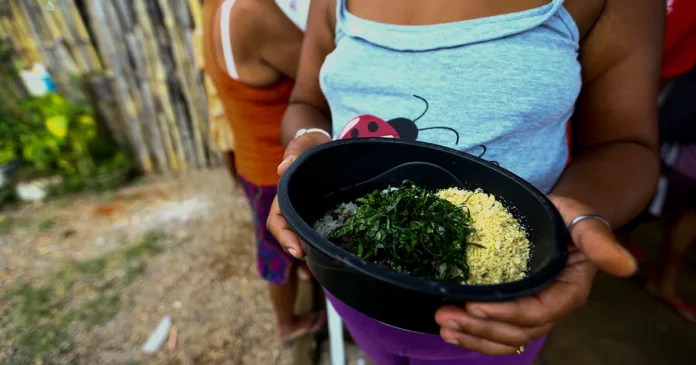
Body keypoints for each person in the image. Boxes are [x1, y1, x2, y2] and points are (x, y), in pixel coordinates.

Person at [267, 0, 664, 363]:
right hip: (353, 287)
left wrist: (575, 212)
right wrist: (308, 147)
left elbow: (625, 143)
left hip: (490, 317)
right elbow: (308, 104)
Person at [202, 0, 325, 344]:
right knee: (279, 249)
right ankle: (286, 324)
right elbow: (322, 73)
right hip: (278, 164)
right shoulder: (250, 11)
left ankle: (289, 315)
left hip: (253, 158)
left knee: (276, 246)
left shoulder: (214, 7)